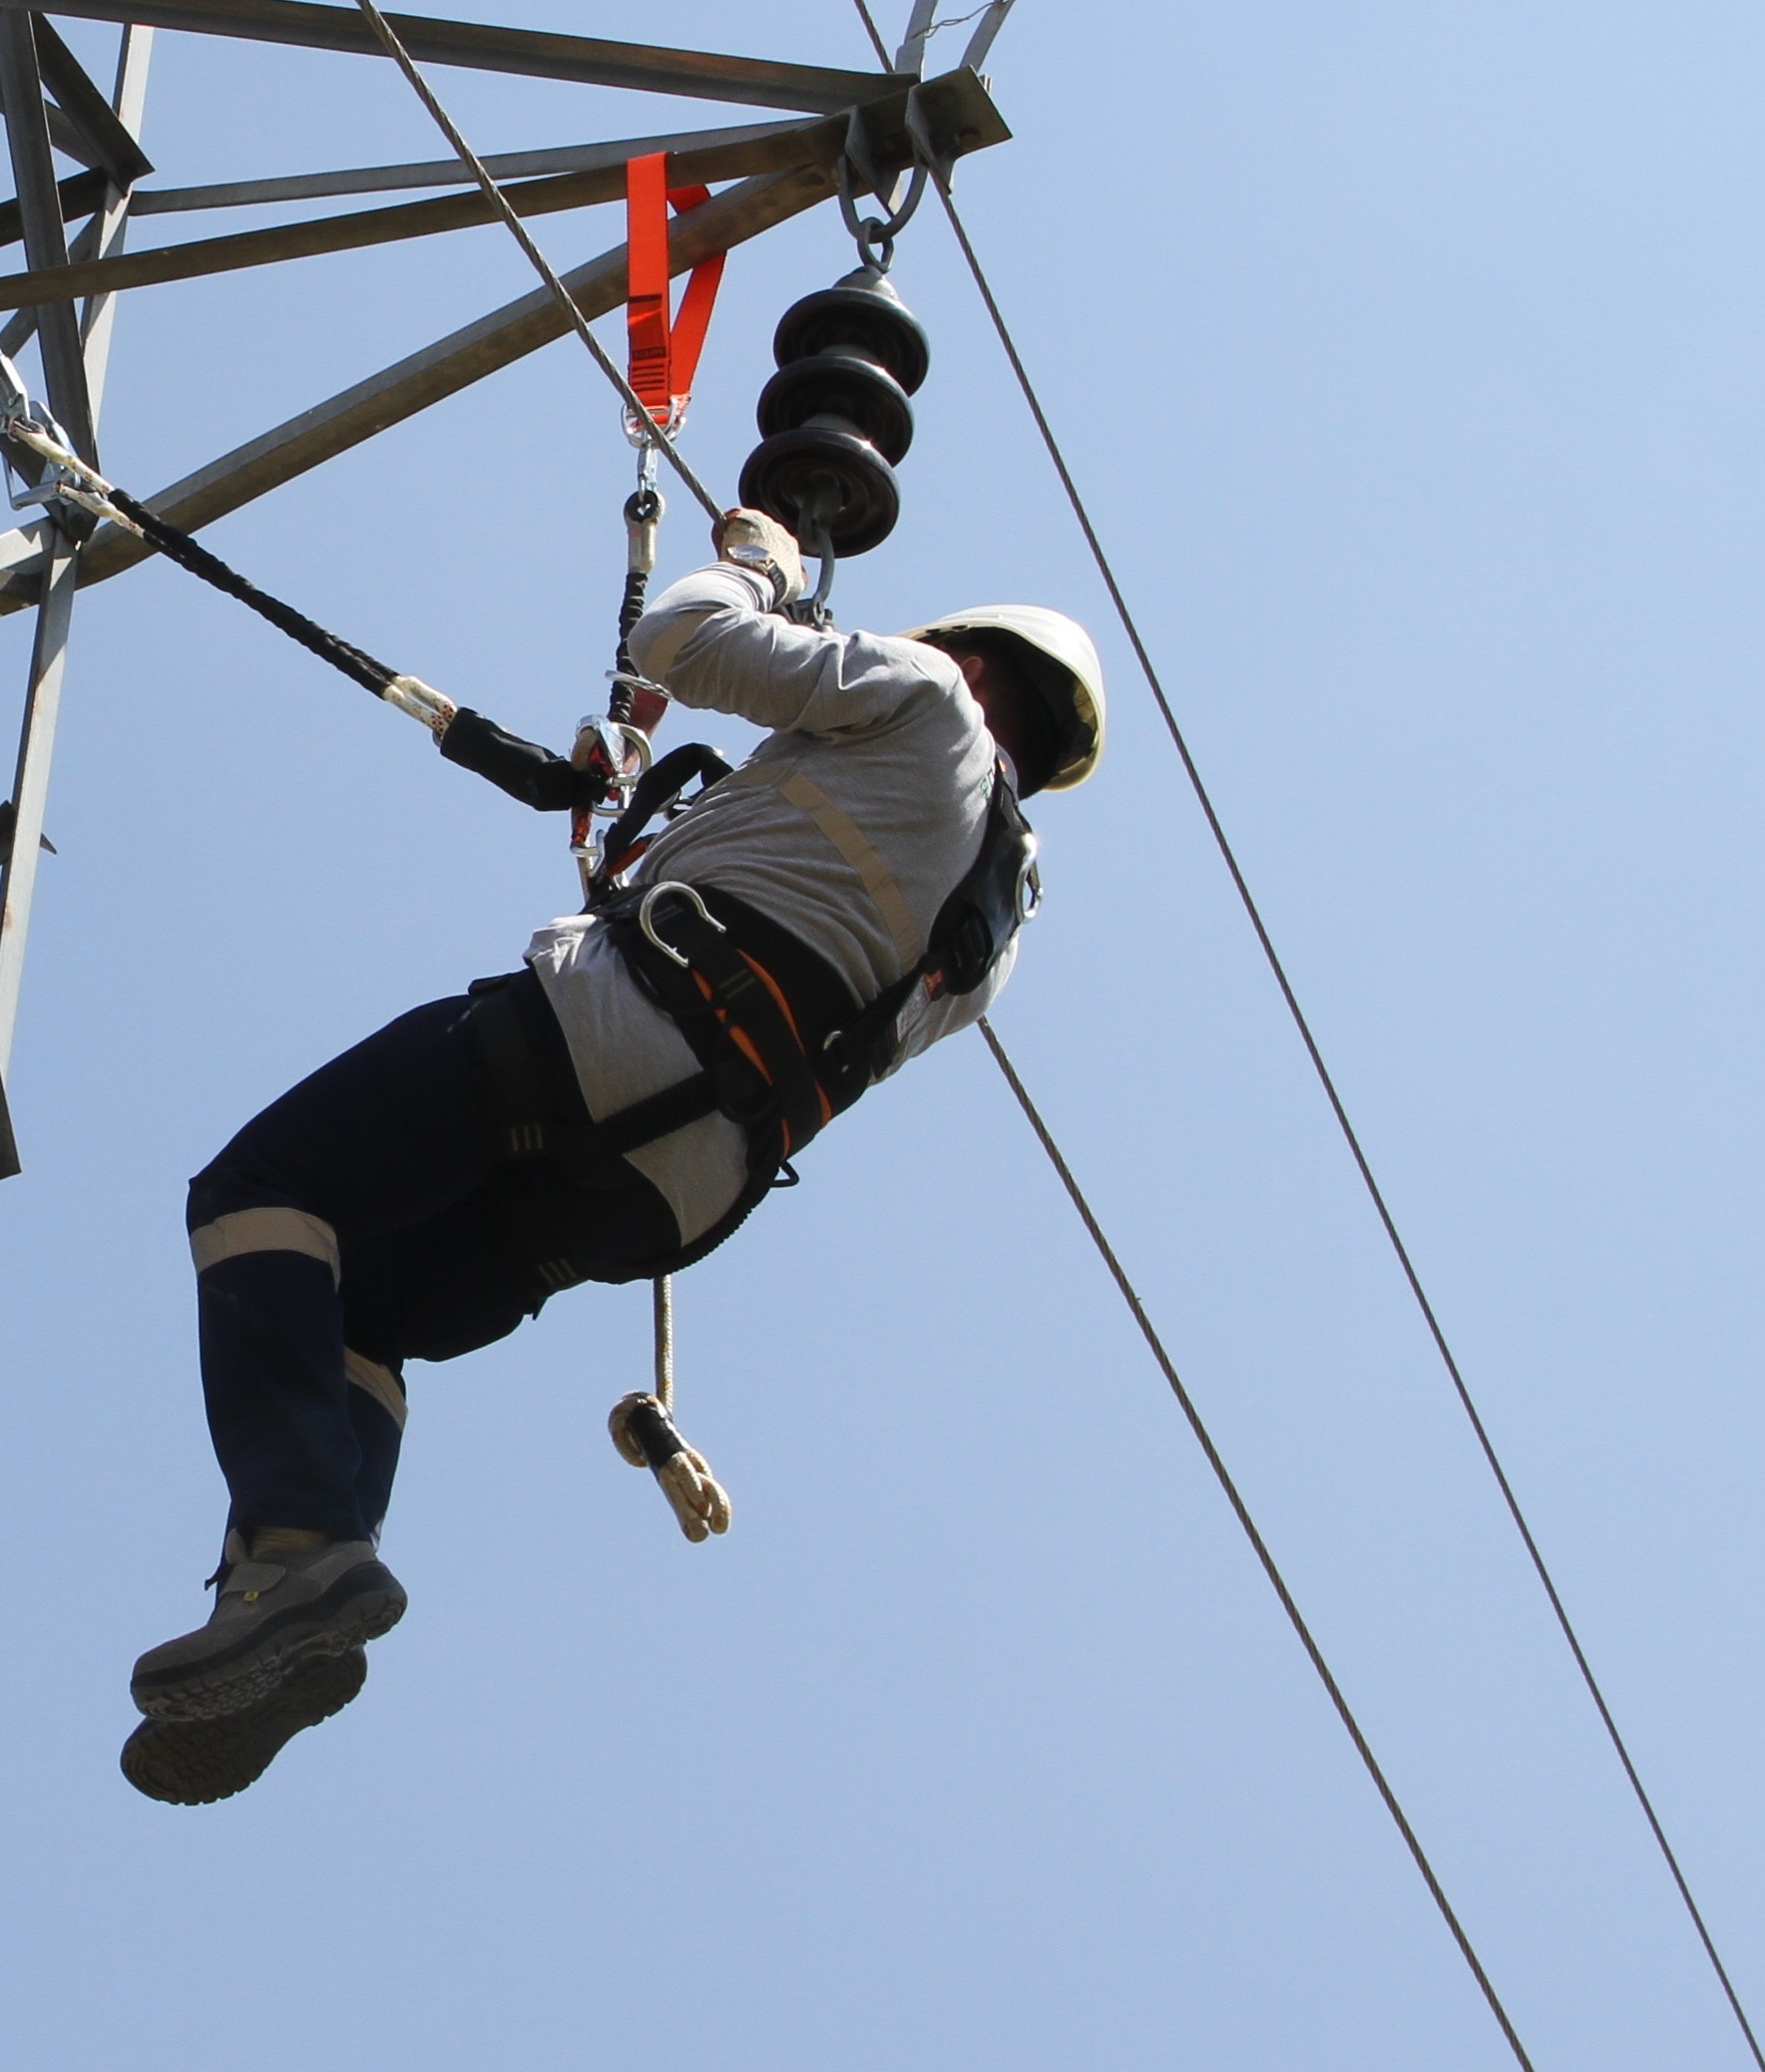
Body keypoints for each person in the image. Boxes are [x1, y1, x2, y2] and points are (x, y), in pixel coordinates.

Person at [120, 507, 1109, 1806]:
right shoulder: (985, 935)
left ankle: (301, 1538)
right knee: (364, 1310)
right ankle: (294, 1585)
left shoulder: (924, 696)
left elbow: (680, 641)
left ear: (973, 665)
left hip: (607, 1033)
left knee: (261, 1189)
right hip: (670, 1183)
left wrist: (760, 566)